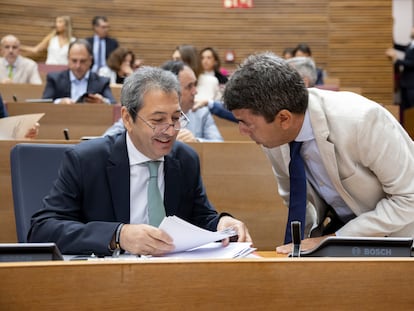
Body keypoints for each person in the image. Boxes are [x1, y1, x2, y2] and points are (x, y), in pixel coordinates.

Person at [28, 66, 251, 255]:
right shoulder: (86, 160)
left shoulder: (185, 159)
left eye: (176, 118)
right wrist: (118, 235)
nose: (171, 130)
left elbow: (200, 217)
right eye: (158, 120)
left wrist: (222, 224)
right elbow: (42, 229)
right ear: (127, 118)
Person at [223, 52, 414, 254]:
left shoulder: (361, 121)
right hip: (341, 234)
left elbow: (409, 197)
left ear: (284, 118)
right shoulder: (274, 138)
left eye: (246, 123)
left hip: (399, 238)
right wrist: (300, 251)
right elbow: (297, 202)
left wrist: (332, 240)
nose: (242, 131)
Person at [104, 60, 223, 142]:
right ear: (170, 89)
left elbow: (220, 146)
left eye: (195, 85)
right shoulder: (144, 110)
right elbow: (107, 138)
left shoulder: (201, 112)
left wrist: (196, 141)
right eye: (189, 86)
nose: (195, 92)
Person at [42, 39, 116, 104]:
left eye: (83, 61)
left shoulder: (102, 82)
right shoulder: (54, 79)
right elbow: (44, 103)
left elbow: (113, 104)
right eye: (74, 61)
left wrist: (103, 102)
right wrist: (59, 102)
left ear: (90, 60)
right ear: (68, 59)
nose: (78, 66)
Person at [386, 27, 414, 123]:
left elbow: (412, 63)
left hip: (412, 84)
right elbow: (401, 47)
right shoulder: (411, 44)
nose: (411, 30)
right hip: (405, 83)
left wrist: (396, 60)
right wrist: (390, 40)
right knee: (405, 108)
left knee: (412, 108)